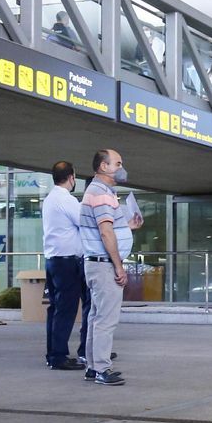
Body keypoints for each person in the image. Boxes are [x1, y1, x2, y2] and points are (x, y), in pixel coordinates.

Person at [79, 149, 142, 386]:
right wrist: (118, 266)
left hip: (96, 264)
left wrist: (127, 226)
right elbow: (105, 233)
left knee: (97, 317)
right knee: (106, 319)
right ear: (103, 166)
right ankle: (102, 369)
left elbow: (108, 227)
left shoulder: (100, 192)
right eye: (118, 163)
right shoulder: (101, 193)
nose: (121, 168)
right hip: (104, 265)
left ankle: (93, 367)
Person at [43, 161, 88, 371]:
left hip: (53, 260)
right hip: (67, 262)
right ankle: (59, 357)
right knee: (65, 310)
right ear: (71, 177)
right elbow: (85, 221)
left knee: (55, 309)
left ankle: (53, 353)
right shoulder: (66, 199)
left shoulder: (50, 198)